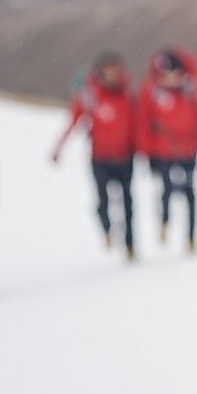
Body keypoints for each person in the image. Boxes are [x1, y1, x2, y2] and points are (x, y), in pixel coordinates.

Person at [51, 51, 139, 260]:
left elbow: (140, 124)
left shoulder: (130, 94)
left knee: (128, 202)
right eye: (107, 71)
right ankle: (107, 230)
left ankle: (130, 245)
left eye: (115, 70)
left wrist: (146, 149)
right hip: (100, 158)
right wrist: (59, 148)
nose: (111, 75)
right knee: (103, 201)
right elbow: (73, 121)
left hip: (125, 157)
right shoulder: (90, 96)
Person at [137, 46, 197, 252]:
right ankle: (165, 221)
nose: (170, 79)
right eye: (166, 75)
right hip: (163, 151)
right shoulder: (151, 91)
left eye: (174, 74)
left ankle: (191, 237)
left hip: (188, 149)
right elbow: (144, 122)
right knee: (167, 189)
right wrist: (146, 152)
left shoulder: (192, 90)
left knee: (190, 191)